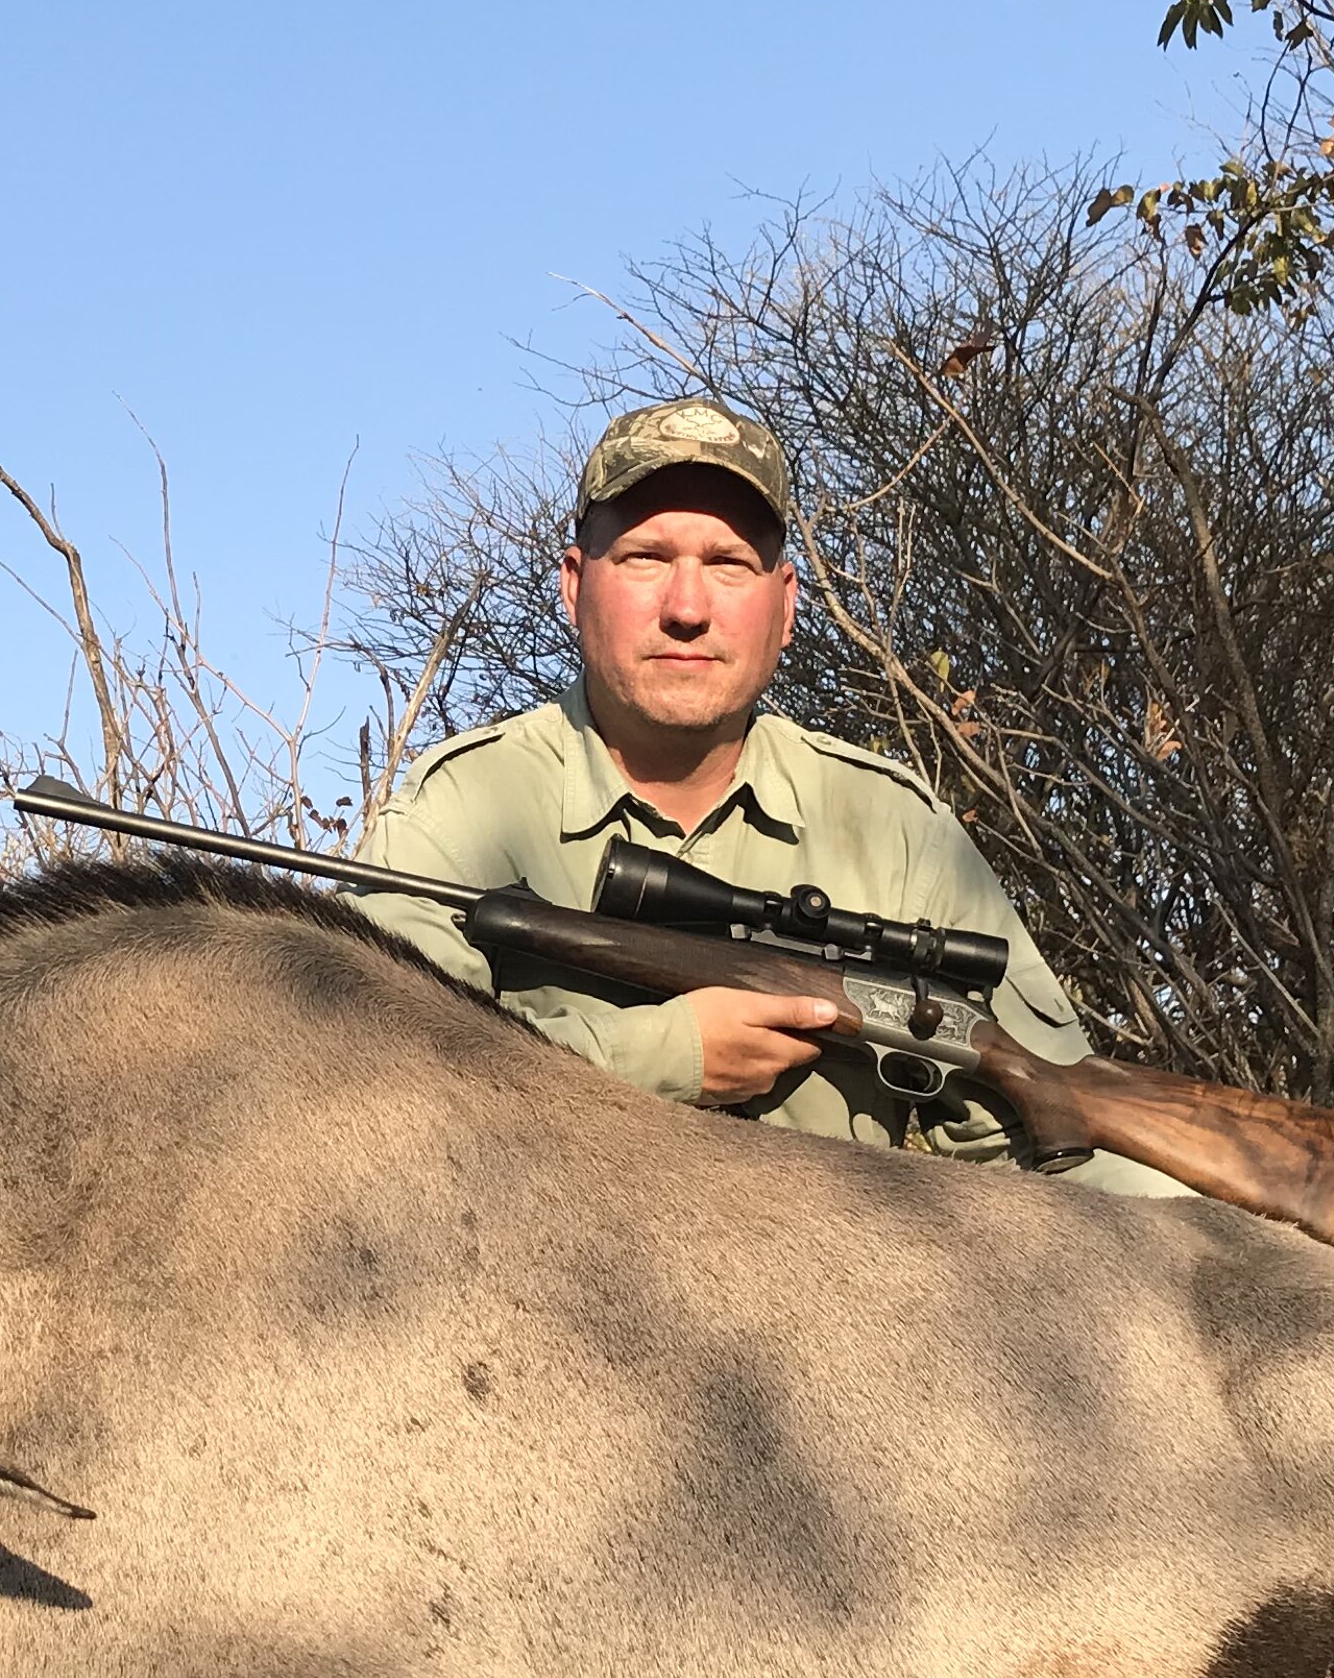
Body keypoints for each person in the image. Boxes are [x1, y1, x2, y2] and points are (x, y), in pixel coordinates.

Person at [355, 397, 1185, 1187]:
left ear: (785, 606)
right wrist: (666, 1054)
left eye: (728, 564)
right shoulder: (457, 813)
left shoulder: (898, 828)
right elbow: (373, 1092)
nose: (687, 608)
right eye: (646, 557)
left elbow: (1079, 1148)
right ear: (574, 586)